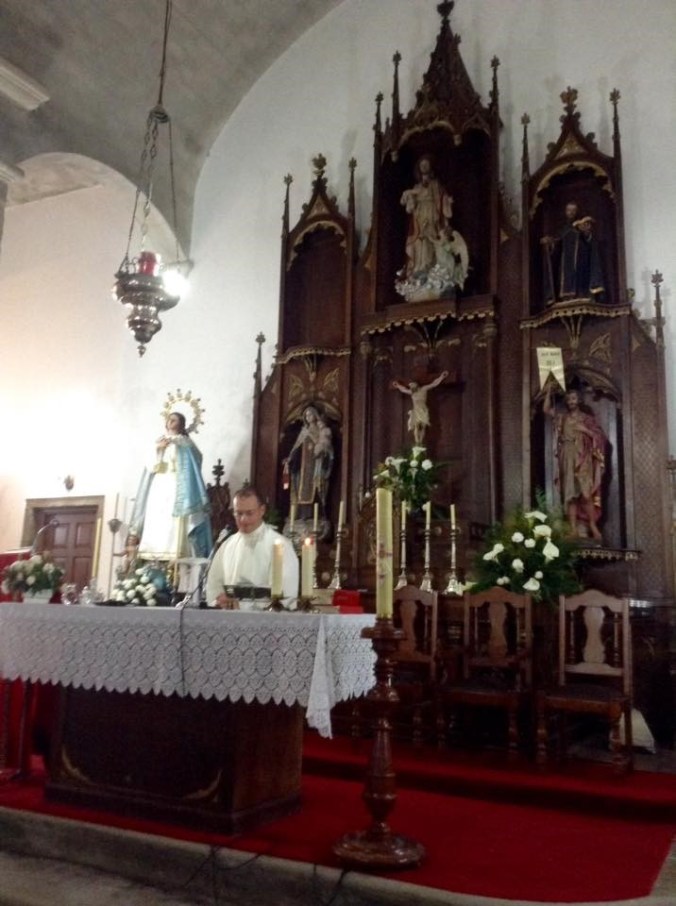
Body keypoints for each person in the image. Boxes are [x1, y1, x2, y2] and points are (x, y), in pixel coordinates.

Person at [129, 412, 213, 560]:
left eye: (174, 420)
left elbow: (196, 460)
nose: (170, 422)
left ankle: (174, 555)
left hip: (177, 486)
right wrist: (159, 449)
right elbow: (150, 466)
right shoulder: (159, 441)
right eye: (169, 419)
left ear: (182, 424)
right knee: (156, 518)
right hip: (159, 486)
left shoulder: (185, 442)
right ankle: (153, 554)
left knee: (174, 522)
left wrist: (179, 446)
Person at [205, 485, 298, 609]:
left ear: (262, 510)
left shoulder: (280, 545)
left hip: (264, 623)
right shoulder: (227, 545)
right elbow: (213, 586)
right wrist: (219, 601)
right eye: (239, 513)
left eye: (249, 513)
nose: (243, 519)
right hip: (227, 621)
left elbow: (286, 593)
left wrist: (242, 606)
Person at [544, 385, 607, 542]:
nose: (571, 401)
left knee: (586, 494)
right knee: (570, 495)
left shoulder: (587, 419)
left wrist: (585, 430)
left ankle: (593, 526)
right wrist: (548, 392)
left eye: (573, 398)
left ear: (578, 400)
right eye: (568, 399)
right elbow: (546, 409)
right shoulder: (562, 417)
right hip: (567, 456)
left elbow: (600, 437)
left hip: (583, 458)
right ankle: (572, 529)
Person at [400, 154, 454, 277]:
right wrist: (410, 198)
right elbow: (408, 205)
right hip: (419, 216)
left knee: (431, 238)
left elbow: (442, 197)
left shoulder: (435, 184)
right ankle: (419, 266)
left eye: (426, 164)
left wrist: (447, 201)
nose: (424, 166)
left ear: (430, 166)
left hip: (432, 214)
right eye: (421, 164)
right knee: (419, 240)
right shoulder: (416, 187)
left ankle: (431, 267)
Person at [284, 405, 334, 515]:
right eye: (306, 415)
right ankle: (302, 515)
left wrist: (319, 448)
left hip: (316, 464)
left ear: (315, 415)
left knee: (317, 486)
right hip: (303, 466)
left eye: (310, 414)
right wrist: (290, 458)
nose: (308, 417)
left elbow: (326, 447)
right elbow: (296, 447)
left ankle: (318, 514)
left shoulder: (322, 430)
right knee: (300, 488)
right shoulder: (303, 431)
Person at [391, 370, 449, 446]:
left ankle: (420, 442)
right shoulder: (412, 392)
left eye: (413, 386)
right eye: (411, 387)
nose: (411, 388)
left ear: (417, 385)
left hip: (423, 411)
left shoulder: (423, 389)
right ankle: (417, 443)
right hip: (416, 411)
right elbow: (403, 389)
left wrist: (442, 377)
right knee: (416, 427)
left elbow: (434, 384)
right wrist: (397, 385)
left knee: (422, 427)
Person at [541, 200, 580, 306]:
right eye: (569, 210)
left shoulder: (581, 227)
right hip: (565, 263)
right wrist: (550, 242)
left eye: (573, 210)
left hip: (579, 261)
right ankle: (564, 297)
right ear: (565, 212)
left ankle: (579, 295)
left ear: (576, 212)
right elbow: (557, 242)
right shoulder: (563, 229)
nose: (571, 213)